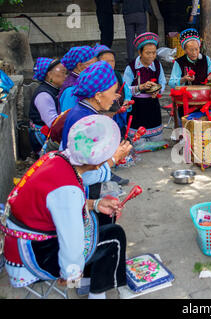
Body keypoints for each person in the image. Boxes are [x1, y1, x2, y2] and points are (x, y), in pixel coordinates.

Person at [2, 114, 127, 299]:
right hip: (32, 255)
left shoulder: (55, 158)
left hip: (21, 240)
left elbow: (54, 205)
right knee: (114, 236)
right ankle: (93, 292)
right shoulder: (69, 190)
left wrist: (97, 204)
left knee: (104, 217)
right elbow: (71, 242)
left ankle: (87, 283)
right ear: (97, 161)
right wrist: (71, 276)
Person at [61, 61, 132, 222]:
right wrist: (114, 159)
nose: (115, 98)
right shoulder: (87, 122)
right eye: (113, 92)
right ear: (98, 95)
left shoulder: (80, 110)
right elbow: (84, 175)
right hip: (80, 192)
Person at [94, 44, 132, 186]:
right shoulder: (96, 77)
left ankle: (113, 161)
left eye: (112, 61)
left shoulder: (116, 75)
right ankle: (105, 169)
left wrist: (125, 100)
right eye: (106, 61)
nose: (110, 64)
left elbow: (125, 91)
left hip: (116, 111)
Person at [123, 32, 167, 142]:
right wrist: (140, 87)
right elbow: (125, 88)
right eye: (148, 53)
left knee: (157, 141)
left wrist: (157, 90)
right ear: (140, 52)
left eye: (154, 53)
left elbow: (162, 81)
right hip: (137, 108)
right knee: (138, 142)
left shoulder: (157, 65)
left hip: (153, 106)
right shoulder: (132, 67)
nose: (152, 56)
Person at [168, 28, 211, 117]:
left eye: (196, 49)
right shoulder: (179, 62)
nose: (194, 53)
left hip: (204, 101)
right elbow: (171, 83)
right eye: (190, 50)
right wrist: (183, 79)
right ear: (184, 50)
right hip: (186, 103)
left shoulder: (206, 59)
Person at [29, 58, 67, 153]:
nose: (65, 76)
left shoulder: (54, 89)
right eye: (63, 72)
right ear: (49, 74)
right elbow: (53, 122)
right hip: (42, 136)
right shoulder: (44, 95)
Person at [59, 46, 97, 111]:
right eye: (93, 64)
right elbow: (69, 117)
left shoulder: (83, 82)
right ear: (80, 66)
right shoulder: (71, 90)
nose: (97, 67)